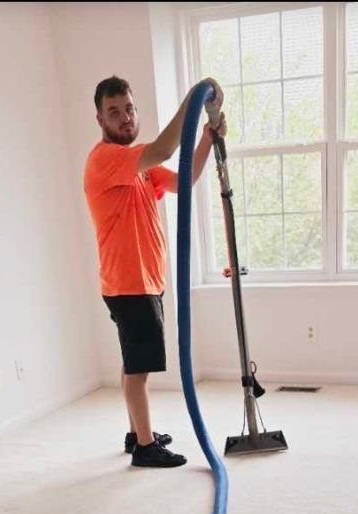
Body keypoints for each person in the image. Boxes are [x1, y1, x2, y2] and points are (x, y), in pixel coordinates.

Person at [83, 76, 225, 468]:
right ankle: (145, 448)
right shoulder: (106, 159)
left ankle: (136, 434)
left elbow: (184, 179)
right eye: (115, 112)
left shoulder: (140, 169)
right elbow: (164, 147)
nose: (125, 118)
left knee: (134, 362)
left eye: (129, 108)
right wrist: (193, 101)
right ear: (100, 118)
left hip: (142, 281)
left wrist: (207, 141)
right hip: (129, 283)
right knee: (139, 369)